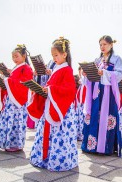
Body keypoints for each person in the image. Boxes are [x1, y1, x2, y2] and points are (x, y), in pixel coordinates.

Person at [28, 37, 77, 171]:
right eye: (52, 55)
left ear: (64, 54)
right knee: (47, 133)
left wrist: (50, 89)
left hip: (61, 109)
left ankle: (58, 161)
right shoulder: (57, 68)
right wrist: (44, 89)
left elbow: (69, 90)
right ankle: (45, 158)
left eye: (56, 55)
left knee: (59, 135)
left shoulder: (66, 70)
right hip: (52, 105)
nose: (54, 58)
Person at [81, 35, 122, 156]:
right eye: (100, 44)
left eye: (104, 44)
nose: (102, 47)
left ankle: (106, 147)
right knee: (94, 115)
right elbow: (93, 75)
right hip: (96, 93)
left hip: (109, 94)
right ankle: (91, 146)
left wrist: (104, 72)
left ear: (111, 45)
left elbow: (119, 74)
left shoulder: (116, 59)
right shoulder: (97, 60)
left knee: (108, 117)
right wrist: (87, 74)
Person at [0, 44, 33, 152]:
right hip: (10, 100)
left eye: (17, 56)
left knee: (16, 121)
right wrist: (2, 83)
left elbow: (24, 83)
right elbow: (11, 84)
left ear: (24, 55)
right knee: (8, 120)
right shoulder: (16, 69)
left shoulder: (27, 68)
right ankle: (6, 142)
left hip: (18, 101)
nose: (14, 59)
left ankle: (15, 144)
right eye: (13, 57)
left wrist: (7, 81)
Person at [75, 66, 86, 140]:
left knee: (83, 118)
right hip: (79, 101)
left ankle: (82, 134)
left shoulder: (86, 80)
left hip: (84, 102)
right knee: (78, 118)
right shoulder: (80, 79)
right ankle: (78, 134)